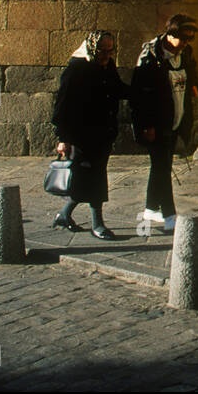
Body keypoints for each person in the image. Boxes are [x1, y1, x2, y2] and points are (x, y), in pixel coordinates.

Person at [50, 30, 128, 240]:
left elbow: (117, 88)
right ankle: (98, 224)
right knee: (94, 178)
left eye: (110, 50)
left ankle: (64, 215)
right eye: (103, 50)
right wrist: (63, 138)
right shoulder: (76, 69)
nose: (107, 55)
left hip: (103, 132)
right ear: (93, 48)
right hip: (81, 135)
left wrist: (141, 91)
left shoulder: (107, 66)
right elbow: (61, 107)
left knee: (89, 177)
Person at [130, 14, 198, 233]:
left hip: (176, 119)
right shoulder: (150, 57)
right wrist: (145, 126)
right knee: (162, 167)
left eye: (190, 39)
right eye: (182, 38)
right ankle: (170, 215)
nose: (186, 43)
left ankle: (151, 208)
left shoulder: (184, 54)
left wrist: (193, 86)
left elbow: (191, 72)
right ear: (170, 35)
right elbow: (139, 97)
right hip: (157, 122)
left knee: (161, 167)